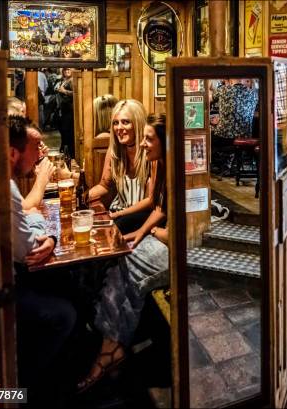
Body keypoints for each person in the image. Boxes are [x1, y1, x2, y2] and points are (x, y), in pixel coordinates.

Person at [77, 114, 169, 393]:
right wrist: (135, 236)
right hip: (156, 235)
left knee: (125, 267)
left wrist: (148, 233)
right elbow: (159, 209)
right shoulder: (160, 164)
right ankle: (110, 344)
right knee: (118, 258)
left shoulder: (181, 172)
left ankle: (109, 351)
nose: (142, 144)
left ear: (165, 142)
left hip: (175, 247)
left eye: (148, 138)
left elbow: (174, 231)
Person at [8, 115, 76, 395]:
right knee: (65, 313)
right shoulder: (5, 186)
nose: (41, 154)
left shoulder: (7, 182)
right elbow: (29, 251)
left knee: (68, 283)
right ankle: (25, 390)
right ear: (13, 153)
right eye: (36, 148)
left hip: (14, 274)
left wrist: (43, 231)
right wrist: (46, 233)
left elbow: (29, 219)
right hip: (4, 288)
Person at [88, 99, 153, 233]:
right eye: (115, 123)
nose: (119, 128)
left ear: (138, 124)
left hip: (140, 216)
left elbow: (149, 202)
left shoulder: (150, 152)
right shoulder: (114, 151)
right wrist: (81, 198)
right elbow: (104, 186)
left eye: (125, 122)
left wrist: (118, 215)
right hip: (119, 213)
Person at [56, 67, 74, 158]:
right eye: (65, 70)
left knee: (67, 131)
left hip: (70, 110)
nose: (67, 71)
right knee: (64, 130)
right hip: (64, 109)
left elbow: (76, 93)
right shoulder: (64, 80)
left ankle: (68, 152)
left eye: (69, 69)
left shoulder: (72, 80)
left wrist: (64, 91)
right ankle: (65, 149)